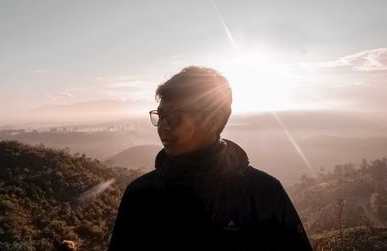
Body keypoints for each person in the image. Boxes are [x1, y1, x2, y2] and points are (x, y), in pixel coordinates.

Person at [108, 66, 313, 250]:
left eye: (176, 117)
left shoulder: (263, 193)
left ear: (214, 120)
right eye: (160, 116)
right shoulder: (141, 195)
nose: (164, 126)